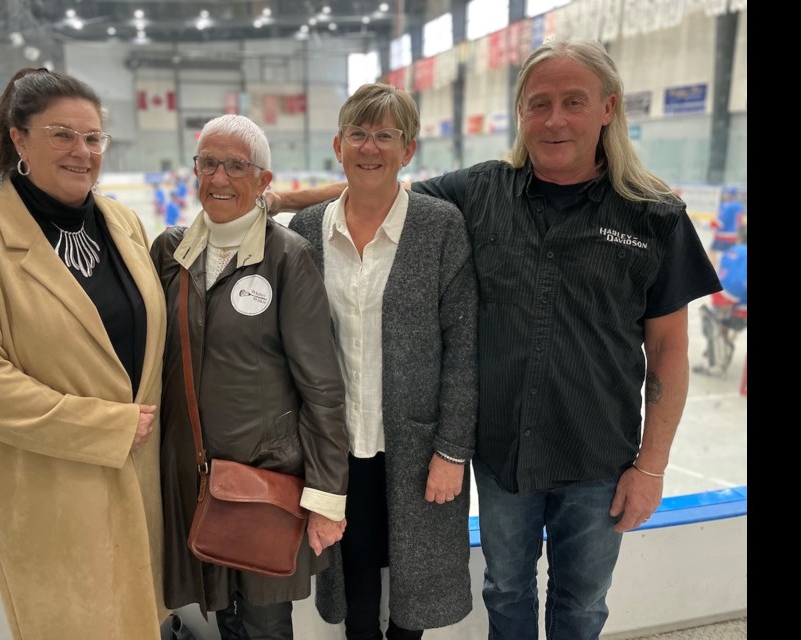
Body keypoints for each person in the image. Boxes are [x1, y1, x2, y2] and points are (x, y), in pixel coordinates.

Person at [268, 39, 723, 639]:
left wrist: (653, 467)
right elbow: (378, 189)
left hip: (599, 456)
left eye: (573, 101)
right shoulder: (482, 192)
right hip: (503, 454)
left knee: (582, 605)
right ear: (521, 114)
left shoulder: (654, 215)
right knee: (506, 593)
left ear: (608, 108)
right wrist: (274, 201)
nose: (554, 119)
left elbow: (669, 350)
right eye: (539, 104)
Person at [0, 68, 168, 639]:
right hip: (49, 493)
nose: (82, 151)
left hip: (138, 484)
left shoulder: (124, 224)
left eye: (93, 137)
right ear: (18, 139)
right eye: (62, 134)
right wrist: (105, 426)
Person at [287, 83, 478, 640]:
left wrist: (451, 450)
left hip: (417, 448)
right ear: (338, 145)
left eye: (385, 136)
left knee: (414, 586)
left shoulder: (440, 228)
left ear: (409, 149)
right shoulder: (307, 232)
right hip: (336, 447)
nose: (371, 148)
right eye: (359, 134)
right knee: (355, 573)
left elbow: (463, 349)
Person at [149, 114, 350, 640]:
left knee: (264, 623)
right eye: (208, 163)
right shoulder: (170, 253)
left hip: (266, 483)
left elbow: (323, 387)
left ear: (263, 181)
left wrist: (327, 497)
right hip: (191, 477)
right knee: (218, 612)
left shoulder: (288, 258)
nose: (218, 178)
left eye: (236, 166)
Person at [694, 225, 747, 376]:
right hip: (740, 304)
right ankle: (719, 352)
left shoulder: (734, 252)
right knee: (719, 323)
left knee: (712, 322)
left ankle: (715, 364)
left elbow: (733, 284)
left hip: (733, 303)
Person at [709, 187, 745, 268]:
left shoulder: (726, 206)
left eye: (726, 194)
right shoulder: (739, 206)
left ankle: (712, 271)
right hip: (734, 235)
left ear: (729, 195)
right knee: (731, 254)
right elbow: (740, 223)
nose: (725, 195)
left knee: (712, 252)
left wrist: (707, 225)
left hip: (723, 235)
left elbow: (720, 223)